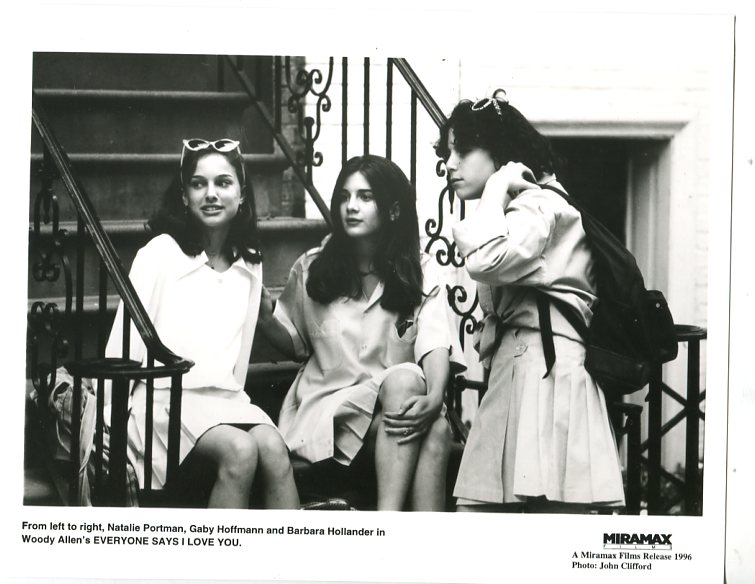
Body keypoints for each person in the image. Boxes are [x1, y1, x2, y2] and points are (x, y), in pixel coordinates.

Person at [437, 91, 626, 513]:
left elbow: (484, 260)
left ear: (502, 153)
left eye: (462, 150)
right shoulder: (524, 206)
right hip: (525, 369)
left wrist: (496, 187)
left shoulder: (540, 205)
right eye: (447, 152)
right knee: (490, 511)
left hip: (548, 371)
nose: (450, 163)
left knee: (547, 517)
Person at [256, 154, 465, 511]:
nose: (351, 206)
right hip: (329, 412)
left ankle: (396, 527)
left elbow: (435, 342)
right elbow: (294, 342)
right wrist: (263, 319)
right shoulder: (312, 267)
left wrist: (435, 398)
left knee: (435, 424)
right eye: (344, 197)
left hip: (390, 415)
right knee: (412, 392)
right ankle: (395, 525)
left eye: (365, 197)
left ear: (394, 210)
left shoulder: (420, 269)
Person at [106, 138, 299, 509]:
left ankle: (291, 549)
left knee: (275, 450)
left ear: (242, 195)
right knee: (240, 450)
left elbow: (239, 360)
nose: (211, 193)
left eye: (223, 182)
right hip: (164, 401)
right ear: (184, 195)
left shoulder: (250, 263)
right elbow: (123, 346)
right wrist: (109, 427)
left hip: (227, 400)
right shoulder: (160, 253)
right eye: (199, 184)